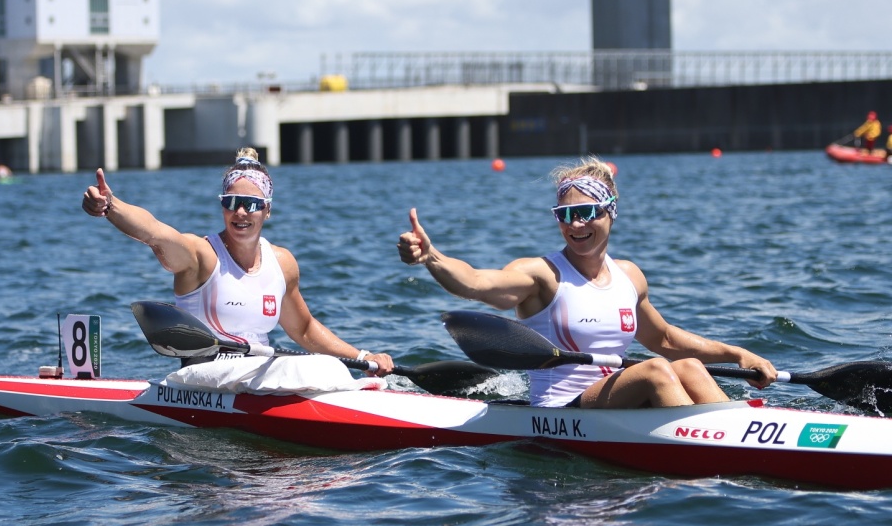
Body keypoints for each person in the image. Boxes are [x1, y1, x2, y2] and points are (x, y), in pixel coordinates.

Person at [397, 157, 777, 408]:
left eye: (586, 212)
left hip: (612, 403)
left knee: (691, 366)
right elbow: (477, 283)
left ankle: (740, 432)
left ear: (610, 212)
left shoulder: (629, 276)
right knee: (655, 370)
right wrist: (431, 256)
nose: (575, 224)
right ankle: (714, 448)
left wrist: (737, 354)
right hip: (562, 409)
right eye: (565, 215)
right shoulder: (542, 275)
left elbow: (663, 340)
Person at [82, 147, 394, 376]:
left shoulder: (282, 263)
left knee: (329, 372)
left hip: (262, 374)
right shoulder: (201, 256)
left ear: (267, 210)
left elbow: (305, 331)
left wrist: (363, 356)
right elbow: (154, 232)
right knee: (305, 373)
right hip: (204, 378)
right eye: (231, 203)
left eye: (251, 204)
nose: (240, 212)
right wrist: (111, 206)